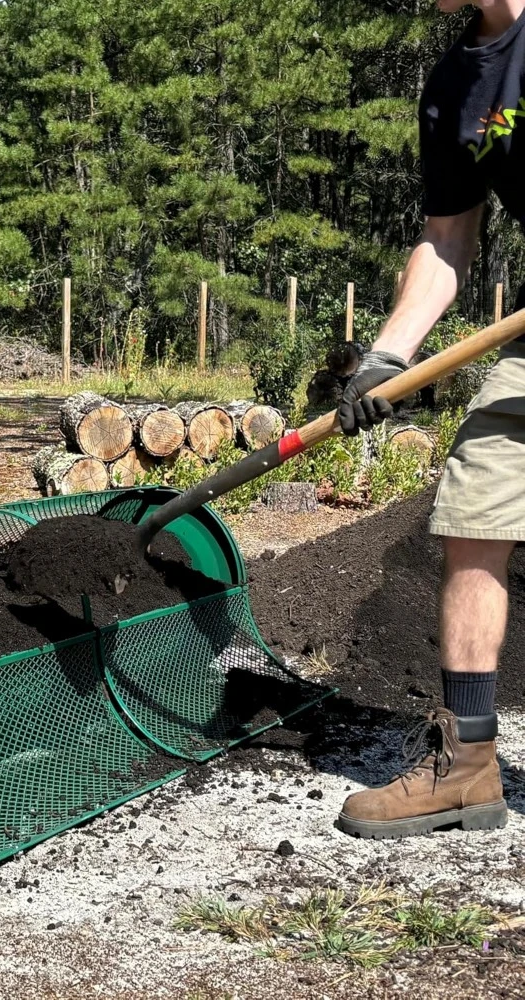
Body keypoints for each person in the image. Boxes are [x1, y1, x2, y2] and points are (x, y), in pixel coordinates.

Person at [335, 0, 525, 839]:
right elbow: (449, 238)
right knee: (477, 489)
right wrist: (390, 355)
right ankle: (468, 764)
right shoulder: (457, 84)